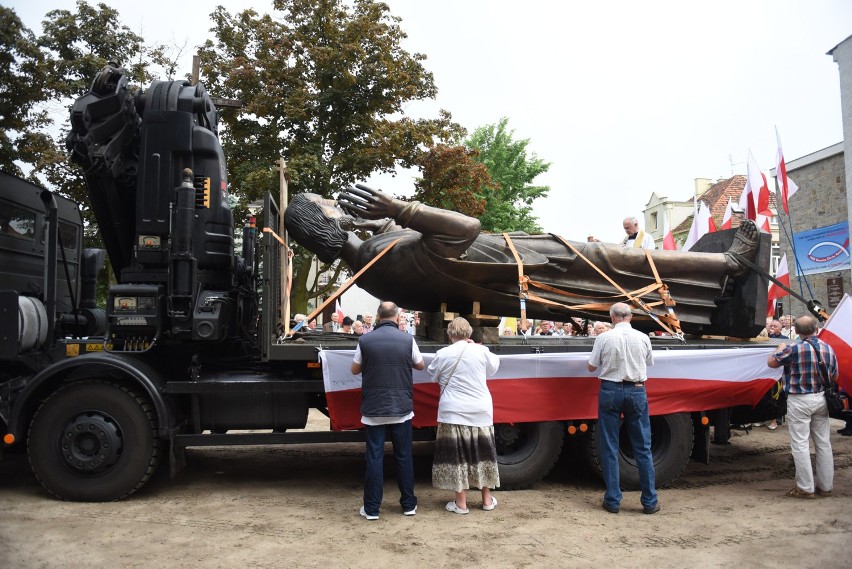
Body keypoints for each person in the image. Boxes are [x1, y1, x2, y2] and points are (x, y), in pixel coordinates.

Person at [284, 185, 764, 337]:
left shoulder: (366, 265)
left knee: (615, 278)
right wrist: (399, 211)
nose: (333, 201)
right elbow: (464, 230)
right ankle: (726, 267)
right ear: (322, 219)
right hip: (510, 260)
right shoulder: (375, 254)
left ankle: (707, 288)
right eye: (324, 203)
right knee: (611, 261)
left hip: (504, 270)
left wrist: (385, 224)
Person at [351, 301, 424, 520]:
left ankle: (372, 509)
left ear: (378, 316)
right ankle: (408, 504)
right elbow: (420, 365)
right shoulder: (407, 339)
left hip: (374, 408)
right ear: (396, 317)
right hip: (401, 407)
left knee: (374, 458)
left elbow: (354, 369)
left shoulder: (365, 340)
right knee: (404, 457)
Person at [587, 302, 659, 514]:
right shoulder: (643, 337)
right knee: (642, 448)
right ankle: (649, 501)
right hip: (636, 390)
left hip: (610, 389)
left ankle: (613, 500)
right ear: (630, 317)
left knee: (609, 446)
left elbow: (591, 367)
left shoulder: (603, 338)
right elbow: (649, 362)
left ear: (612, 318)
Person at [429, 317, 501, 514]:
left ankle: (461, 504)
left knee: (457, 456)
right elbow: (494, 368)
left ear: (450, 334)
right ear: (469, 334)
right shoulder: (482, 351)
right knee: (483, 454)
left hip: (452, 410)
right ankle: (487, 500)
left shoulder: (442, 353)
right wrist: (476, 346)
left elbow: (432, 374)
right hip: (480, 409)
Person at [767, 315, 837, 498]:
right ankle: (826, 486)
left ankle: (805, 488)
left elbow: (772, 363)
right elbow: (834, 376)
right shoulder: (828, 348)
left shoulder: (794, 348)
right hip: (821, 398)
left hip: (799, 399)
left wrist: (779, 348)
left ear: (796, 331)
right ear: (816, 329)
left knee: (800, 443)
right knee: (823, 443)